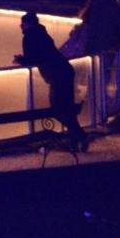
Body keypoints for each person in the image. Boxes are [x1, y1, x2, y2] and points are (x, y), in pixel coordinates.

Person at [15, 11, 88, 152]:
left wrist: (20, 60)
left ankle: (79, 135)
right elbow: (43, 54)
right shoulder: (42, 34)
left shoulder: (29, 37)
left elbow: (33, 58)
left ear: (28, 24)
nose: (20, 26)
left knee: (58, 109)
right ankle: (76, 137)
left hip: (57, 75)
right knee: (65, 109)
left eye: (22, 23)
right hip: (64, 71)